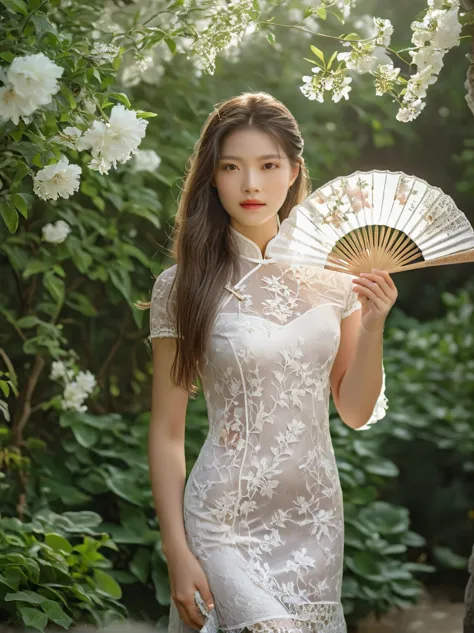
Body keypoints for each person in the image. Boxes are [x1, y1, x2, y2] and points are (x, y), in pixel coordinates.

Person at [145, 92, 398, 633]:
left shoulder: (335, 280)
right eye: (232, 167)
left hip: (315, 524)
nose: (251, 185)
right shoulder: (181, 287)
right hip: (222, 524)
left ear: (293, 172)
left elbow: (353, 410)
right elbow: (167, 433)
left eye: (268, 166)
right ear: (212, 178)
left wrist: (373, 325)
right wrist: (176, 550)